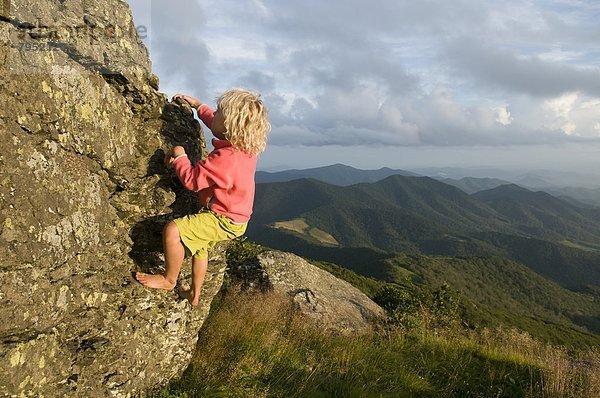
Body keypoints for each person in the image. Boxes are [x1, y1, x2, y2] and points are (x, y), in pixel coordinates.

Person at [135, 88, 270, 306]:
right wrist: (199, 106)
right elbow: (216, 125)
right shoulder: (245, 147)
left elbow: (192, 180)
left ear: (229, 125)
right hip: (237, 219)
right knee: (200, 247)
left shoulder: (224, 159)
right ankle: (194, 294)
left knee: (174, 230)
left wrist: (180, 155)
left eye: (218, 112)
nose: (213, 114)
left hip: (223, 219)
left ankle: (169, 279)